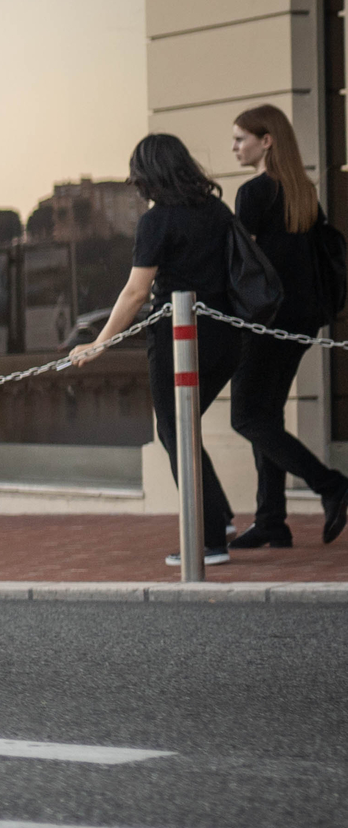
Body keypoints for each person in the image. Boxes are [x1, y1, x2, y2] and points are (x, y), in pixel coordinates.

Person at [67, 134, 245, 565]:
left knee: (174, 431)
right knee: (183, 430)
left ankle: (210, 544)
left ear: (149, 174)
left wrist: (99, 343)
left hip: (178, 340)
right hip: (226, 338)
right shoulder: (217, 211)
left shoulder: (157, 222)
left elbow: (135, 293)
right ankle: (218, 519)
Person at [223, 105, 348, 547]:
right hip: (301, 322)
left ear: (266, 141)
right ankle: (272, 519)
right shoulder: (303, 193)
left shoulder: (254, 193)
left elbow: (245, 269)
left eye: (240, 138)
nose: (235, 147)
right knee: (266, 415)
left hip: (265, 323)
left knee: (245, 417)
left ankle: (330, 485)